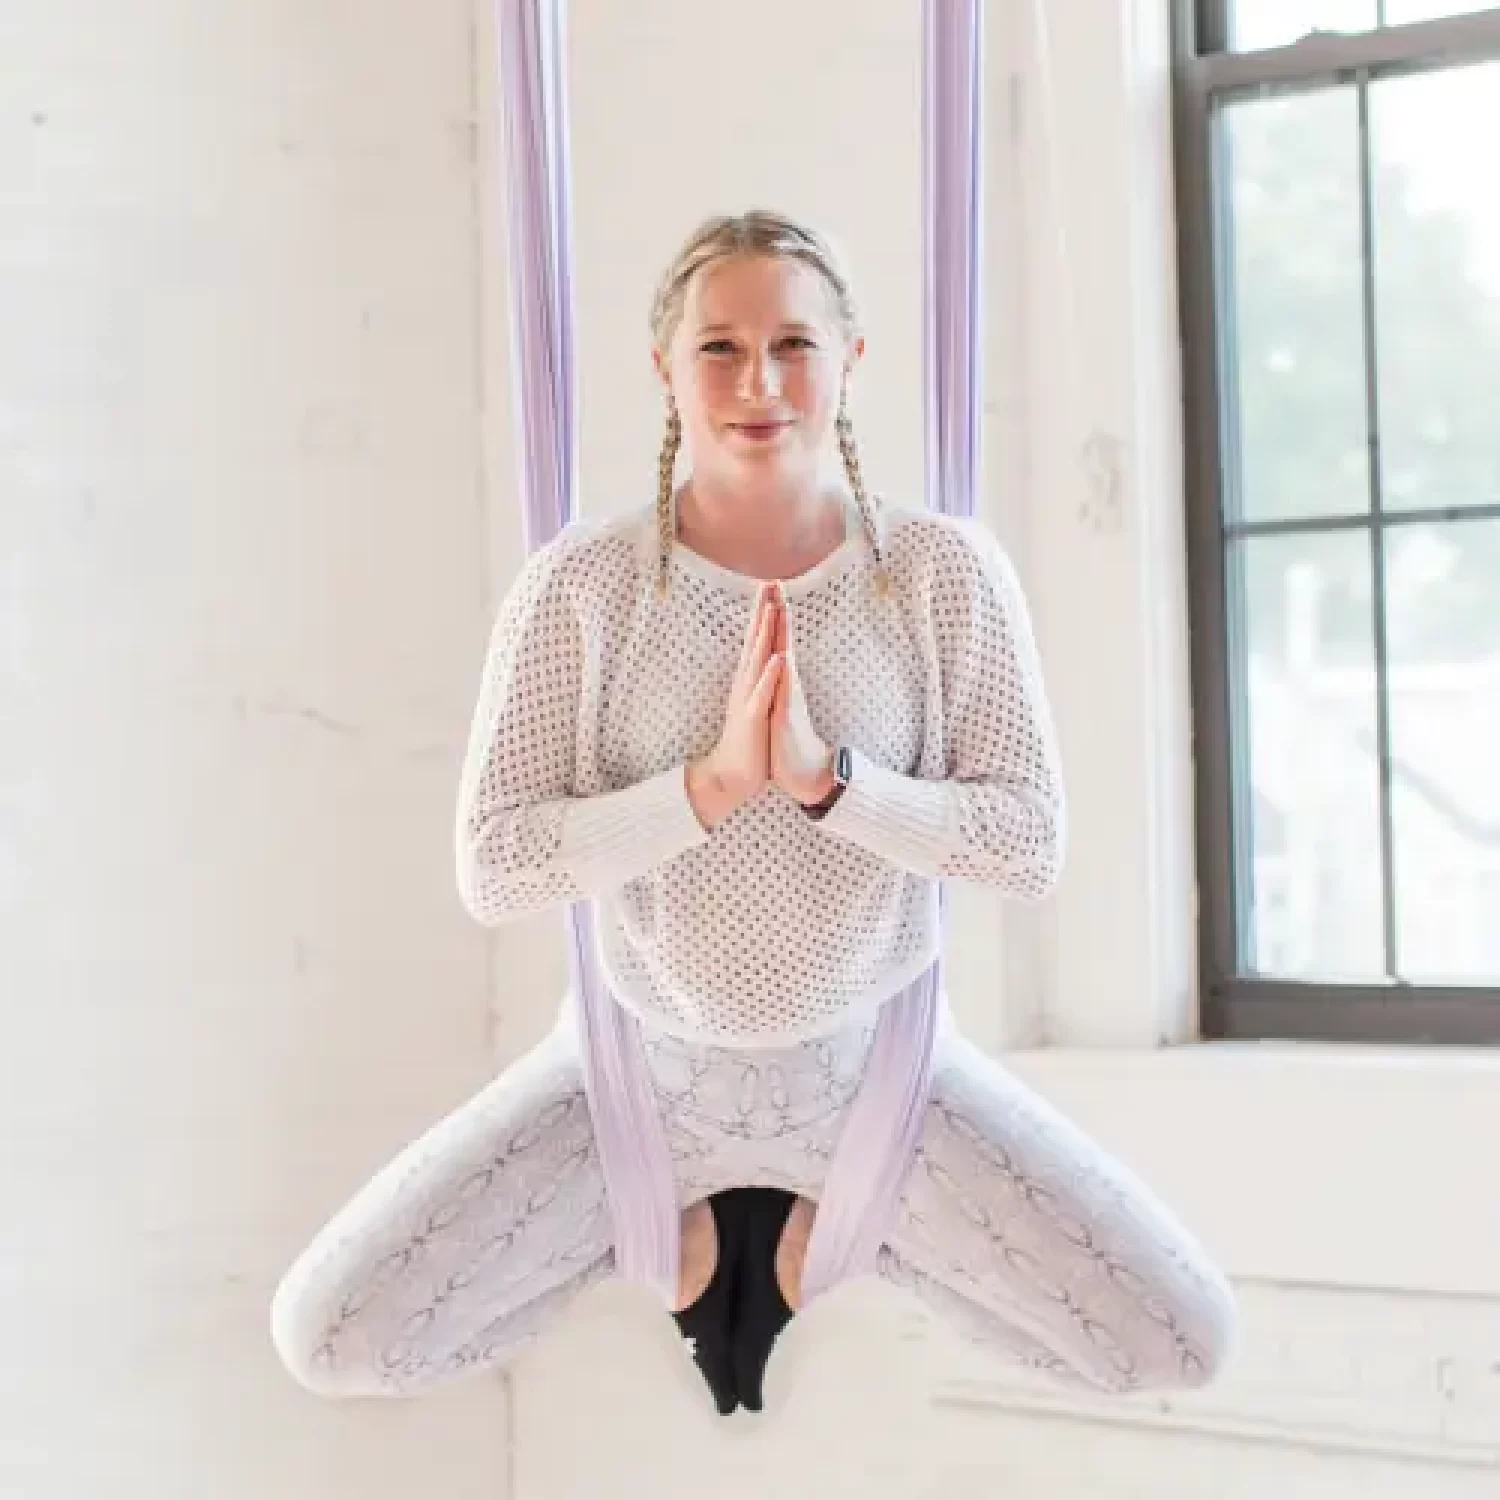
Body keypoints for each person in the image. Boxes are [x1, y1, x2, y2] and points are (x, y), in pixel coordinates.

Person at [270, 210, 1236, 1416]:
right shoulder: (585, 587)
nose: (760, 383)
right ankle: (669, 1251)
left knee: (1180, 1340)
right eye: (719, 348)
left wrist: (834, 784)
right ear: (666, 369)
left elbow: (1027, 839)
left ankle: (835, 1245)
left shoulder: (941, 573)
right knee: (335, 1337)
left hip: (876, 1075)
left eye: (794, 343)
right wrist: (707, 790)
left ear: (851, 359)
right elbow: (496, 866)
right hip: (636, 1077)